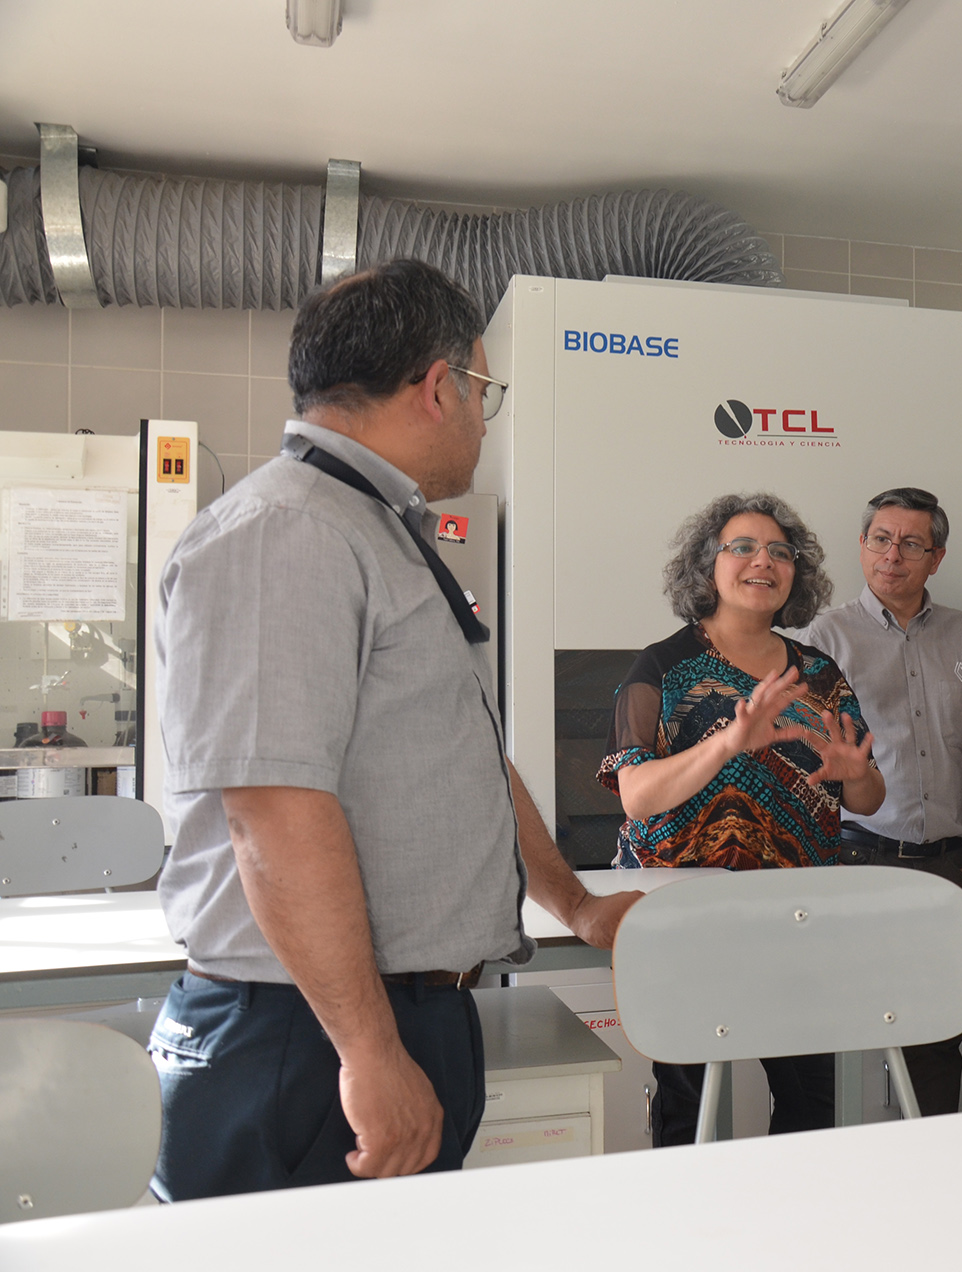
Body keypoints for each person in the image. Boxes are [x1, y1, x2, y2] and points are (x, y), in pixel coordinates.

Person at [149, 258, 641, 1200]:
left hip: (391, 1017)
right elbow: (273, 810)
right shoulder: (288, 531)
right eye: (484, 391)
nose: (482, 419)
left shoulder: (371, 528)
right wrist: (368, 1053)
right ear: (439, 386)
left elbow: (462, 759)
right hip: (307, 1035)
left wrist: (575, 906)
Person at [598, 491, 882, 1143]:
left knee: (815, 1103)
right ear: (708, 565)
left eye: (780, 551)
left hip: (797, 922)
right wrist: (729, 741)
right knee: (690, 1110)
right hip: (685, 925)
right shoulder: (662, 666)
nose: (764, 561)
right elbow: (636, 795)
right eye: (743, 547)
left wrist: (855, 773)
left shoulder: (819, 673)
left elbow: (867, 799)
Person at [796, 486, 962, 1115]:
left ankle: (930, 1162)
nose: (893, 555)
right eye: (882, 540)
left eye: (912, 544)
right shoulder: (822, 638)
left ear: (936, 558)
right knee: (838, 1033)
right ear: (862, 546)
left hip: (947, 867)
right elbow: (802, 763)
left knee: (938, 1035)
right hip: (855, 863)